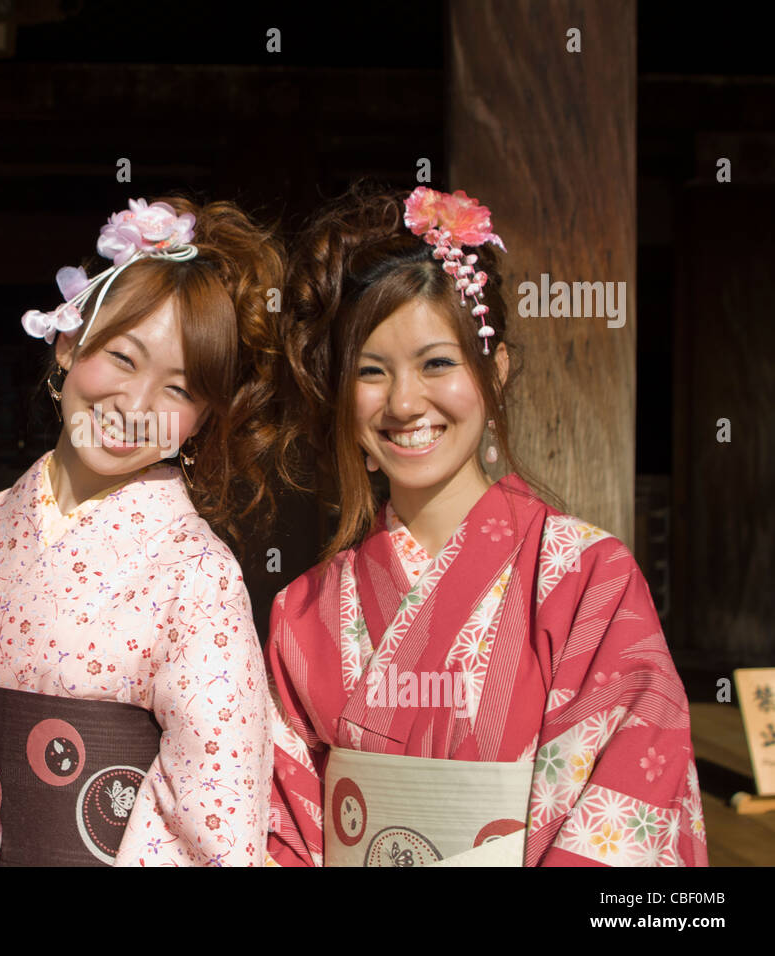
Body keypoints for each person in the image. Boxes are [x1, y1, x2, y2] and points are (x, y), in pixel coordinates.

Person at [266, 186, 707, 867]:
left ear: (493, 373)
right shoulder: (303, 614)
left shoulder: (589, 580)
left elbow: (628, 801)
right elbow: (283, 832)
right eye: (371, 372)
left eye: (437, 363)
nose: (406, 402)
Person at [0, 198, 286, 865]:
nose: (135, 406)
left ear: (201, 420)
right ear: (67, 343)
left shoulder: (197, 574)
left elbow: (213, 818)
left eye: (177, 389)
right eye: (121, 358)